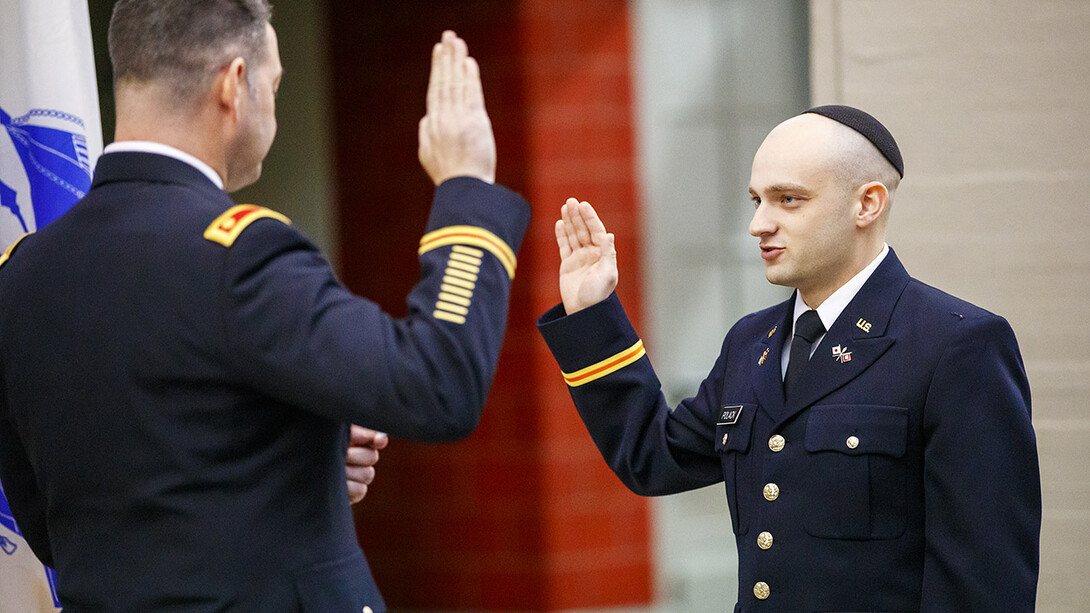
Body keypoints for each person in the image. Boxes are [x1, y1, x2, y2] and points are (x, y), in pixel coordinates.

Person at [0, 0, 529, 610]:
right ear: (234, 85)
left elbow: (60, 516)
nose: (273, 109)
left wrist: (304, 459)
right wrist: (466, 186)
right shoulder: (239, 253)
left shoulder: (22, 275)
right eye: (274, 85)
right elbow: (439, 385)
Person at [537, 105, 1040, 611]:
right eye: (757, 200)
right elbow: (653, 458)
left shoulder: (956, 346)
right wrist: (592, 314)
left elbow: (982, 582)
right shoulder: (751, 342)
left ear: (866, 204)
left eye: (788, 200)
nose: (758, 223)